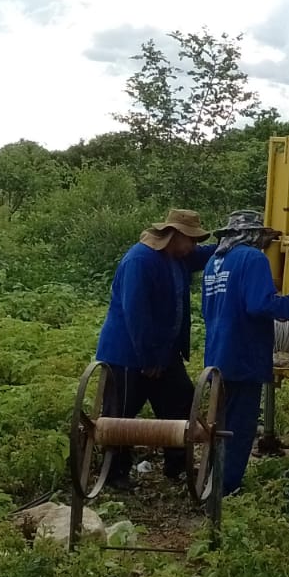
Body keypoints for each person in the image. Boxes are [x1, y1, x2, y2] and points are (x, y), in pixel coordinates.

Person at [94, 209, 217, 487]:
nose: (194, 247)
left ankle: (177, 464)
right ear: (176, 235)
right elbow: (136, 314)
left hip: (164, 352)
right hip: (128, 354)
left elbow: (201, 255)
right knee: (119, 415)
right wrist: (148, 358)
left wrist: (228, 242)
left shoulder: (176, 257)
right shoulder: (140, 260)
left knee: (181, 402)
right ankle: (115, 473)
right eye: (192, 240)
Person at [201, 210, 289, 496]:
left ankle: (212, 479)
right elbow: (261, 305)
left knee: (219, 422)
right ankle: (227, 487)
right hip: (243, 356)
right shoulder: (252, 259)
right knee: (239, 427)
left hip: (217, 354)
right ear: (253, 236)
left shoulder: (215, 261)